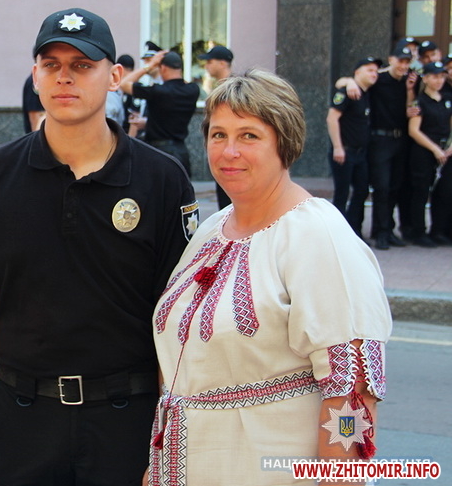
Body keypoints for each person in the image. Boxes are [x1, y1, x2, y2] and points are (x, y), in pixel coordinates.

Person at [0, 8, 196, 486]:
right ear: (35, 76)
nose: (64, 78)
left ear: (115, 76)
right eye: (51, 65)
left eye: (83, 65)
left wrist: (167, 445)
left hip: (126, 422)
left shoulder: (162, 179)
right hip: (21, 421)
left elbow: (176, 324)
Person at [150, 70, 391, 486]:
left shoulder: (317, 234)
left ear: (285, 142)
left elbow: (352, 391)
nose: (229, 151)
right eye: (218, 135)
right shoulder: (212, 229)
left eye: (249, 136)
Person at [341, 45, 418, 250]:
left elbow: (410, 107)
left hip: (400, 140)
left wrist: (410, 91)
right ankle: (381, 232)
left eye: (407, 62)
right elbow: (346, 81)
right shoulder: (378, 78)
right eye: (400, 61)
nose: (403, 66)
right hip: (379, 140)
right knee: (381, 187)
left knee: (394, 187)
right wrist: (349, 82)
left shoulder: (410, 81)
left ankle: (385, 229)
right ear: (391, 59)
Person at [121, 50, 200, 177]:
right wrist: (149, 123)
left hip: (158, 151)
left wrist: (149, 66)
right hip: (181, 151)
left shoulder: (158, 91)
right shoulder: (193, 90)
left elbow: (123, 84)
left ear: (162, 68)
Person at [326, 57, 380, 238]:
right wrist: (338, 147)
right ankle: (336, 234)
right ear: (357, 72)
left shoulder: (366, 93)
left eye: (375, 71)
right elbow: (332, 118)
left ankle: (353, 231)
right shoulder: (346, 92)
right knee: (342, 194)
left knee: (362, 191)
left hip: (360, 154)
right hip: (344, 152)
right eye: (369, 70)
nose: (374, 74)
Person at [406, 61, 452, 247]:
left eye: (441, 76)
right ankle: (418, 232)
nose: (439, 80)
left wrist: (449, 147)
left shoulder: (447, 98)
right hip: (424, 151)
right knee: (421, 191)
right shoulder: (420, 101)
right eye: (434, 77)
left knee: (444, 191)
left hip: (445, 151)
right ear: (425, 78)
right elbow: (414, 130)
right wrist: (434, 149)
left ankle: (438, 230)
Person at [200, 45, 235, 209]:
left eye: (210, 61)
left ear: (222, 63)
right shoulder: (220, 87)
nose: (206, 66)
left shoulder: (234, 90)